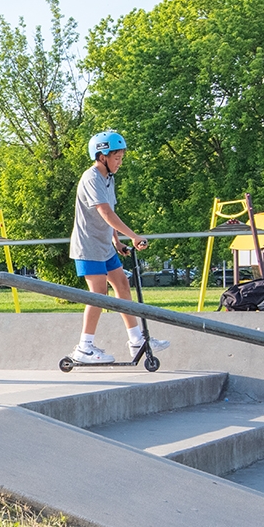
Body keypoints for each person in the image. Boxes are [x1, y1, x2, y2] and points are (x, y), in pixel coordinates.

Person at [68, 131, 170, 364]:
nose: (120, 162)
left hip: (104, 246)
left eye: (122, 157)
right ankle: (84, 347)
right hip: (88, 246)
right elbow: (104, 212)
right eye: (117, 158)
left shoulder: (108, 179)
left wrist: (117, 241)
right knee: (98, 294)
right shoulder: (91, 177)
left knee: (123, 285)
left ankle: (136, 341)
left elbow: (109, 213)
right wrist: (133, 236)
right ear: (101, 156)